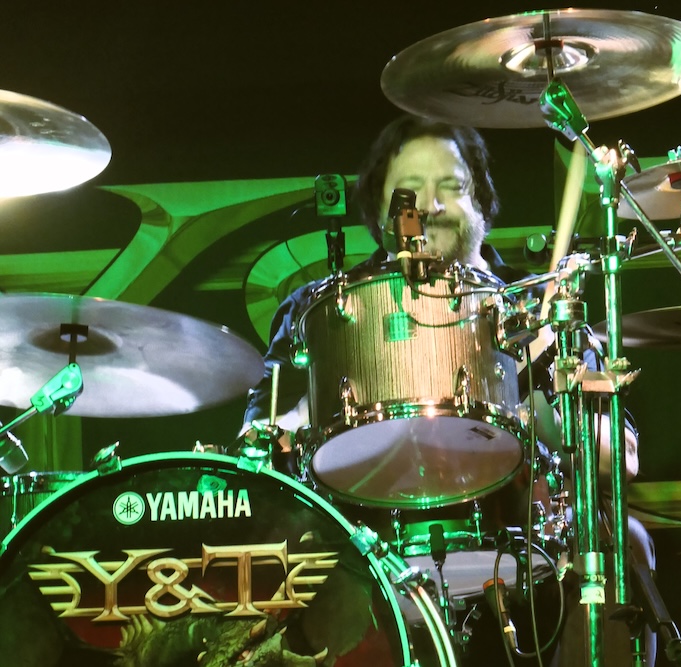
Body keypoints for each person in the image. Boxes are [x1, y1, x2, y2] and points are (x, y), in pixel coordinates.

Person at [243, 114, 659, 666]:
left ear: (480, 200)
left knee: (622, 538)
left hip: (518, 538)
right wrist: (301, 418)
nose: (431, 205)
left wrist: (538, 380)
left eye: (451, 186)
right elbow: (256, 445)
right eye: (409, 191)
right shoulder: (318, 309)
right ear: (380, 211)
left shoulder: (536, 303)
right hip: (368, 545)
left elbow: (620, 458)